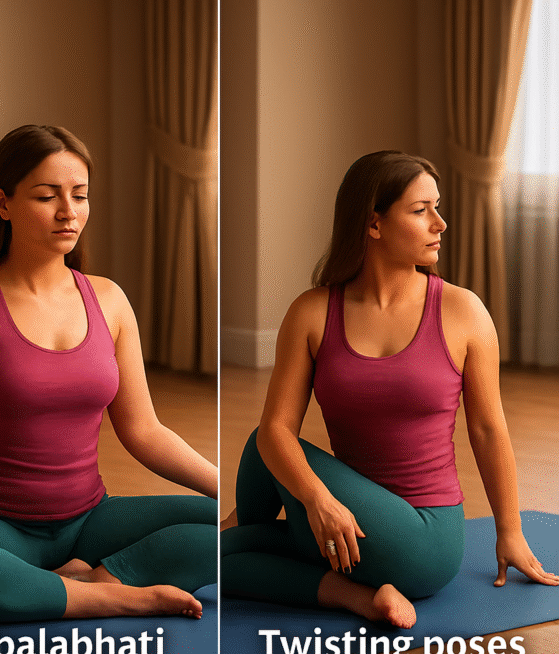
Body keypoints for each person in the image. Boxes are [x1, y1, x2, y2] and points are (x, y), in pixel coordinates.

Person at [0, 124, 217, 623]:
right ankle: (117, 594)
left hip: (87, 522)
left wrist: (226, 487)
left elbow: (144, 430)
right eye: (47, 196)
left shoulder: (109, 300)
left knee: (232, 526)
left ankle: (87, 576)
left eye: (80, 195)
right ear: (3, 204)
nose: (69, 211)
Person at [221, 151, 559, 629]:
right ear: (373, 224)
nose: (440, 223)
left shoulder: (463, 312)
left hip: (425, 540)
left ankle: (245, 542)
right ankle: (352, 593)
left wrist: (510, 531)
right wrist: (320, 499)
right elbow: (277, 428)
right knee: (245, 488)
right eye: (421, 211)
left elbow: (486, 428)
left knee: (241, 497)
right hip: (351, 524)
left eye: (437, 208)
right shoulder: (313, 312)